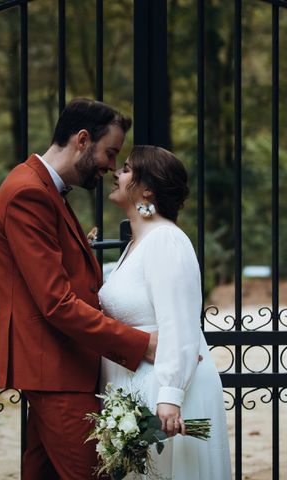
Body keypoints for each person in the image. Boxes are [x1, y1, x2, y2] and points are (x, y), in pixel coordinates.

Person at [0, 98, 158, 480]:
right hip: (56, 370)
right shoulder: (28, 193)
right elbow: (57, 303)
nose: (112, 166)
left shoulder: (46, 189)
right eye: (110, 152)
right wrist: (140, 343)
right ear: (82, 139)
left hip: (59, 368)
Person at [99, 145, 231, 479]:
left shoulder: (165, 241)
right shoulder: (136, 243)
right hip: (132, 385)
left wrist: (171, 397)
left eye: (126, 168)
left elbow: (180, 323)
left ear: (146, 189)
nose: (116, 172)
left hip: (163, 392)